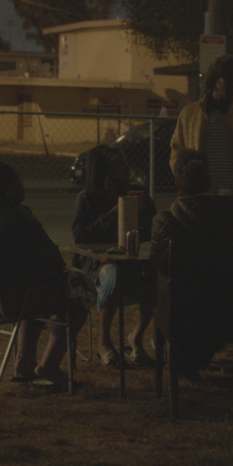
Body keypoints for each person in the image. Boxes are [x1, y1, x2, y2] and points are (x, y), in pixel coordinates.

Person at [150, 150, 233, 381]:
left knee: (168, 288)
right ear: (209, 181)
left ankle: (188, 358)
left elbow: (161, 268)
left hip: (189, 317)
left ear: (177, 184)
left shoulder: (166, 223)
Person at [0, 162, 86, 391]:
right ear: (7, 187)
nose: (23, 186)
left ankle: (25, 360)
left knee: (34, 287)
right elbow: (55, 262)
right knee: (78, 294)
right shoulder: (17, 216)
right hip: (8, 302)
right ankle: (49, 365)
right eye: (19, 181)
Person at [71, 146, 157, 367]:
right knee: (113, 273)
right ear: (105, 170)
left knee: (158, 277)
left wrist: (141, 216)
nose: (127, 168)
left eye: (126, 163)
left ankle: (136, 337)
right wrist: (111, 215)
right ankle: (104, 342)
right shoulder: (87, 198)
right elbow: (79, 237)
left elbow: (155, 229)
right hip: (98, 266)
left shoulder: (136, 193)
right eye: (120, 164)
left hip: (134, 262)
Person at [169, 55, 233, 204]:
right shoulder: (189, 114)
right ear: (215, 79)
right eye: (229, 79)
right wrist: (185, 179)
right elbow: (176, 153)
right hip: (197, 201)